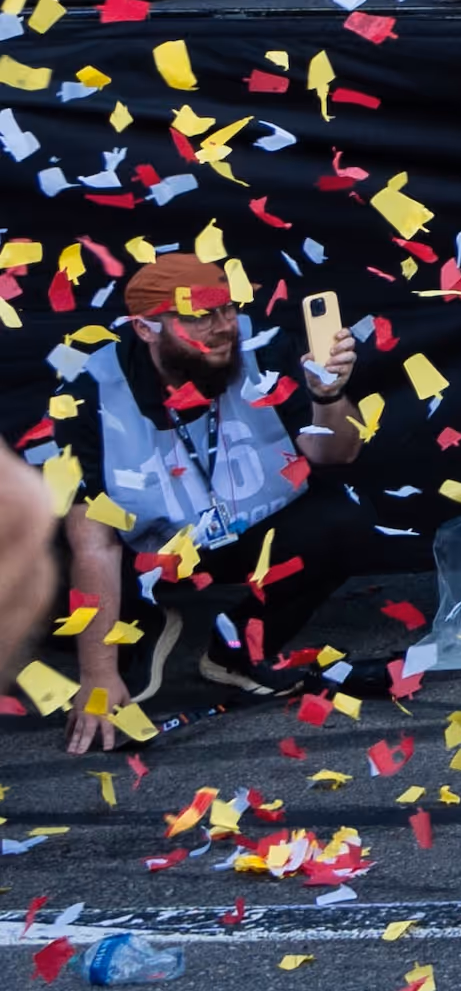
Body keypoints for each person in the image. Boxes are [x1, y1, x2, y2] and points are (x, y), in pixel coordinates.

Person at [44, 249, 367, 746]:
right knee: (45, 567)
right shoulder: (90, 391)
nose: (222, 328)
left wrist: (327, 396)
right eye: (198, 317)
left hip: (246, 533)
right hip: (146, 555)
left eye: (227, 309)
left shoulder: (264, 348)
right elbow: (95, 544)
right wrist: (98, 676)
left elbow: (335, 455)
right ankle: (146, 628)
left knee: (342, 523)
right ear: (146, 328)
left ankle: (233, 654)